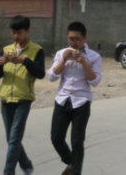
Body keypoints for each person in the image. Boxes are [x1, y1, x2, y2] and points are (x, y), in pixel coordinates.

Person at [49, 21, 102, 175]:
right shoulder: (61, 53)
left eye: (77, 39)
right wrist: (64, 60)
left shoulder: (94, 57)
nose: (74, 42)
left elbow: (95, 81)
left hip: (82, 101)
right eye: (71, 39)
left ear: (84, 39)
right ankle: (72, 162)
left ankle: (75, 171)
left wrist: (83, 62)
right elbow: (52, 77)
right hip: (63, 99)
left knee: (77, 141)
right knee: (56, 138)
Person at [0, 15, 45, 175]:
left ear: (27, 31)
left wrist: (25, 61)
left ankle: (8, 172)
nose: (16, 36)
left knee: (15, 138)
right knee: (11, 139)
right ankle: (27, 165)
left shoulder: (37, 50)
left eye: (19, 32)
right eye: (13, 32)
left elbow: (40, 73)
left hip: (23, 99)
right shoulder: (6, 49)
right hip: (5, 99)